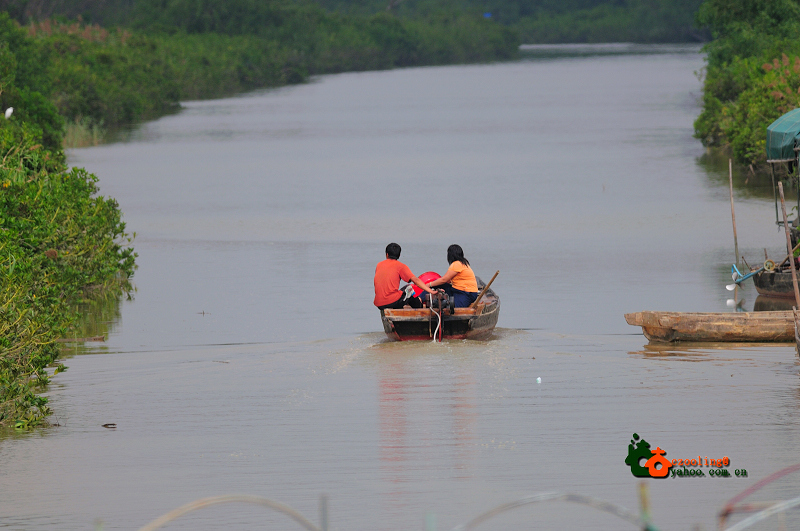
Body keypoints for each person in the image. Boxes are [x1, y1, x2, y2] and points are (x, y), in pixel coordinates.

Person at [374, 243, 438, 310]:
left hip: (379, 303)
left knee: (404, 290)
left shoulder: (379, 265)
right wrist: (431, 291)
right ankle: (420, 308)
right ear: (399, 255)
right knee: (410, 290)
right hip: (391, 302)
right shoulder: (400, 266)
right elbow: (415, 280)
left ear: (387, 254)